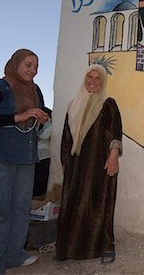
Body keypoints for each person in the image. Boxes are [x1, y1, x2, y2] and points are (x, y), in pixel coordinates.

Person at [0, 49, 49, 274]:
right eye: (28, 65)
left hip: (27, 158)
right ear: (15, 64)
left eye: (36, 67)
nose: (32, 70)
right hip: (2, 158)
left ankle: (14, 254)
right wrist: (19, 116)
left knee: (20, 209)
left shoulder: (35, 90)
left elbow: (42, 113)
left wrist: (43, 117)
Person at [56, 64, 123, 263]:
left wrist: (113, 156)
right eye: (89, 78)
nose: (92, 82)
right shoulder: (73, 104)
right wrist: (66, 163)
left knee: (100, 203)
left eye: (97, 79)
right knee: (73, 203)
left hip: (99, 164)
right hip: (76, 164)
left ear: (102, 82)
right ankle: (68, 249)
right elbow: (66, 138)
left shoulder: (108, 103)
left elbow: (115, 131)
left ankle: (104, 246)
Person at [33, 107, 52, 197]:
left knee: (40, 179)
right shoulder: (34, 124)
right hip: (33, 156)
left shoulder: (49, 125)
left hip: (43, 156)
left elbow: (42, 136)